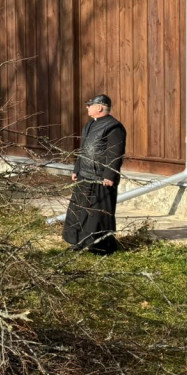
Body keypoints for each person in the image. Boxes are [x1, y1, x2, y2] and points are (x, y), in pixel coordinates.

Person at [63, 93, 126, 255]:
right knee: (78, 211)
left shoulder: (114, 127)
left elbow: (115, 153)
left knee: (98, 214)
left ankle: (101, 247)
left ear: (99, 107)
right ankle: (78, 242)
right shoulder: (89, 125)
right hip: (84, 175)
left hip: (101, 179)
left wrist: (109, 175)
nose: (87, 107)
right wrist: (76, 169)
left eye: (89, 104)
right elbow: (83, 150)